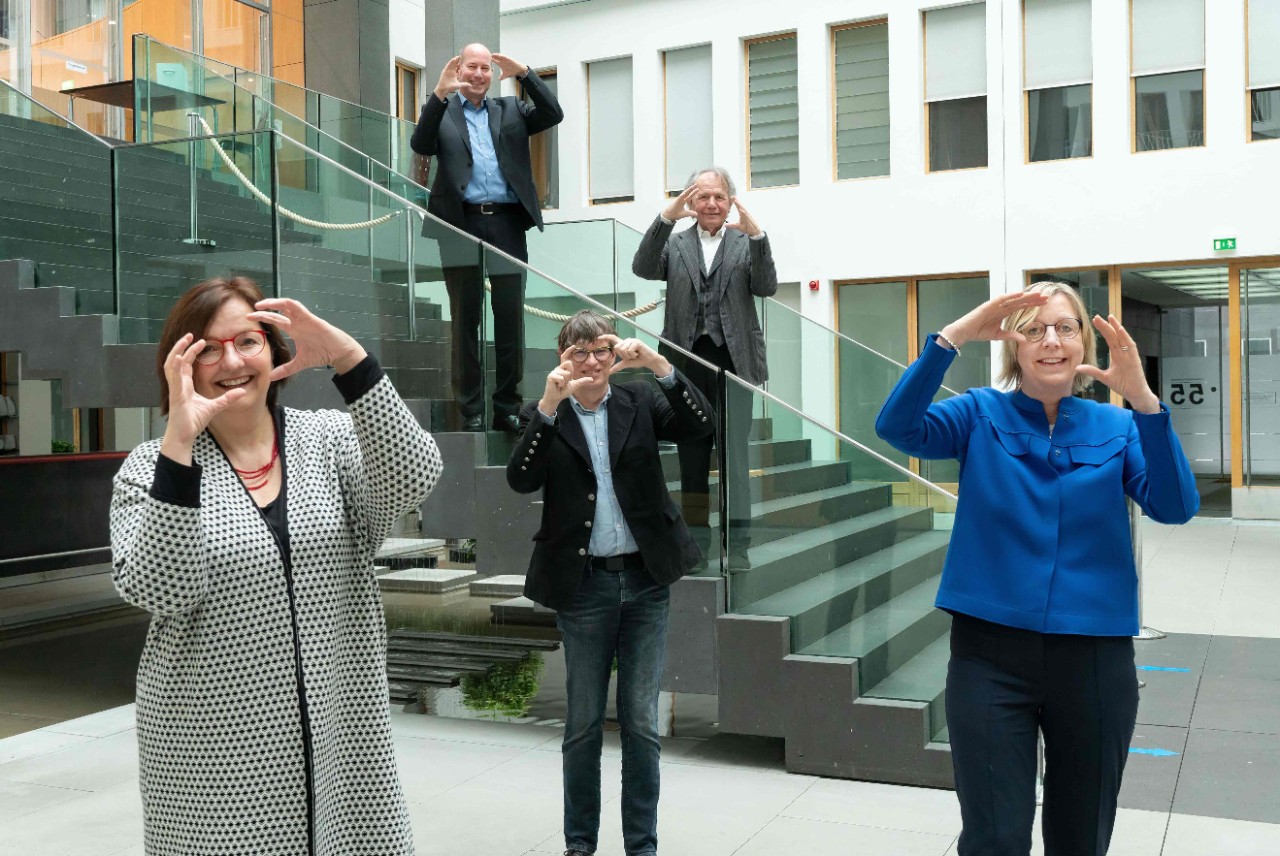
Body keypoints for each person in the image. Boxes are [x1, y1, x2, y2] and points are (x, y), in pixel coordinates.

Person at [109, 277, 443, 856]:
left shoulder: (329, 439)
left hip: (342, 738)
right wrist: (180, 444)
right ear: (180, 366)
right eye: (208, 348)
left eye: (247, 341)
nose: (230, 361)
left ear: (275, 351)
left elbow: (414, 477)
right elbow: (160, 590)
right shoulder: (151, 468)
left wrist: (349, 359)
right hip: (212, 754)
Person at [875, 282, 1199, 855]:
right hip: (989, 657)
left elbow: (1174, 507)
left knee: (1081, 837)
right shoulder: (979, 413)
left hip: (1095, 660)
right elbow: (898, 428)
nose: (1051, 341)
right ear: (1013, 345)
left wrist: (1145, 401)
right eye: (1034, 329)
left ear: (1084, 346)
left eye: (1066, 328)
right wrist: (953, 337)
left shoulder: (1118, 427)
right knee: (995, 835)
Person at [506, 310, 714, 856]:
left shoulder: (639, 401)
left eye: (601, 350)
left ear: (614, 356)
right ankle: (580, 845)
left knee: (642, 725)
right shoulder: (543, 413)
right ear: (562, 359)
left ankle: (641, 845)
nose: (591, 362)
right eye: (578, 353)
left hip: (646, 583)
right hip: (584, 588)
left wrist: (660, 365)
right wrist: (549, 405)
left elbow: (700, 424)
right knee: (582, 725)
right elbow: (520, 478)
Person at [410, 43, 564, 434]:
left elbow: (553, 113)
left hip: (508, 224)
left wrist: (525, 73)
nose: (478, 74)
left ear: (493, 74)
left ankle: (507, 407)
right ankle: (470, 409)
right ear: (458, 69)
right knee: (465, 319)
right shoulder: (442, 111)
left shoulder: (510, 109)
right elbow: (421, 144)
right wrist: (439, 93)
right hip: (459, 224)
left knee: (510, 318)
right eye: (470, 67)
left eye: (485, 68)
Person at [630, 167, 777, 566]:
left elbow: (766, 287)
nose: (712, 204)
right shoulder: (675, 244)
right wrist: (665, 218)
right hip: (686, 363)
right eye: (703, 197)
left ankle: (739, 547)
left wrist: (758, 237)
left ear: (730, 201)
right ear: (691, 203)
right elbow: (642, 268)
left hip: (735, 364)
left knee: (735, 461)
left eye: (719, 197)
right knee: (691, 459)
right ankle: (697, 545)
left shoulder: (745, 243)